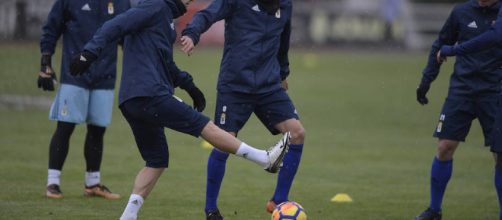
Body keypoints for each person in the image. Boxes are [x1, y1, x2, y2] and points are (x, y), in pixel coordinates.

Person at [68, 0, 291, 219]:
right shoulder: (155, 6)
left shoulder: (164, 16)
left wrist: (189, 86)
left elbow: (166, 64)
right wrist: (88, 53)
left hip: (132, 100)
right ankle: (264, 158)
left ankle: (128, 216)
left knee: (156, 161)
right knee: (205, 126)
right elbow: (115, 25)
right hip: (151, 94)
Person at [180, 0, 305, 219]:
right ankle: (211, 209)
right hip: (235, 86)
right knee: (223, 142)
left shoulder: (285, 4)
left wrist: (283, 72)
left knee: (297, 133)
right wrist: (192, 34)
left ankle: (278, 200)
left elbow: (283, 40)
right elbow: (206, 15)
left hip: (268, 86)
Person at [414, 0, 502, 219]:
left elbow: (494, 37)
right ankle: (434, 210)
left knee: (500, 155)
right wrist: (427, 80)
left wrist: (454, 50)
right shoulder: (461, 12)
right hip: (461, 90)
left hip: (495, 91)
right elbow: (439, 45)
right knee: (444, 146)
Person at [39, 0, 130, 199]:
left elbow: (127, 37)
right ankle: (52, 182)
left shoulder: (122, 3)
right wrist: (45, 62)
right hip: (74, 74)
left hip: (105, 75)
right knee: (65, 127)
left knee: (98, 129)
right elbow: (51, 29)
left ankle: (92, 183)